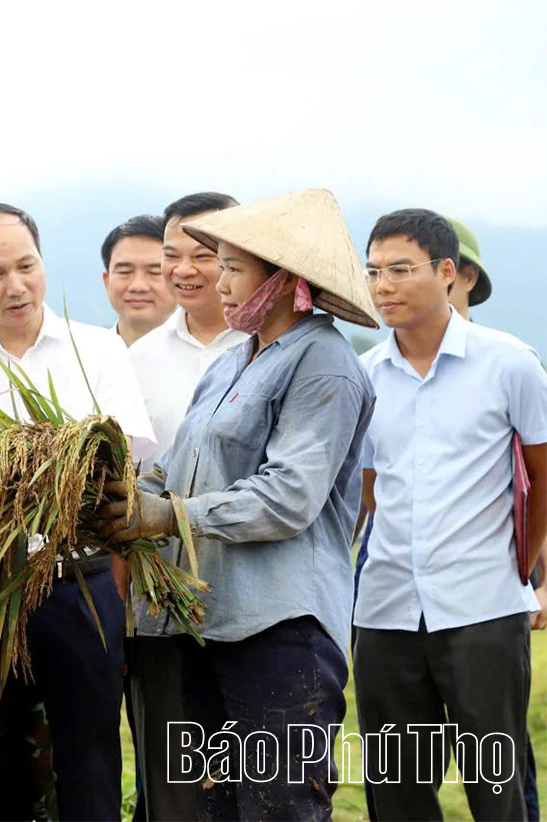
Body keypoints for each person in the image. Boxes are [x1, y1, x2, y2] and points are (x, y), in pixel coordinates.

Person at [100, 188, 378, 820]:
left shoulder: (325, 364)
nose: (219, 283)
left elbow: (288, 496)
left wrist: (169, 517)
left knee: (280, 807)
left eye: (233, 268)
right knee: (210, 809)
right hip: (206, 622)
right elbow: (175, 468)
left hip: (280, 630)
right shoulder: (231, 363)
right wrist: (117, 497)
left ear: (284, 279)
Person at [0, 202, 156, 821]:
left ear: (44, 264)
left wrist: (7, 473)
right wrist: (54, 465)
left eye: (26, 266)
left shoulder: (97, 352)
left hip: (80, 581)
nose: (15, 286)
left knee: (92, 759)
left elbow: (117, 466)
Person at [354, 208, 547, 821]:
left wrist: (525, 563)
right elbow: (366, 488)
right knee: (397, 792)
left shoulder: (509, 361)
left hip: (483, 608)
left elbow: (543, 473)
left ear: (446, 273)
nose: (384, 285)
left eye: (401, 269)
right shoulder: (364, 375)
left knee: (497, 788)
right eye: (374, 271)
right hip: (384, 610)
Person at [123, 191, 247, 821]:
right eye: (174, 254)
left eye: (205, 255)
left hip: (255, 601)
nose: (186, 269)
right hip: (163, 599)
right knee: (172, 786)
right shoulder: (136, 362)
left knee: (257, 782)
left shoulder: (274, 352)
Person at [101, 214, 175, 346]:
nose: (138, 286)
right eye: (125, 272)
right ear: (107, 282)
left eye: (155, 272)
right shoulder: (83, 356)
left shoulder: (213, 358)